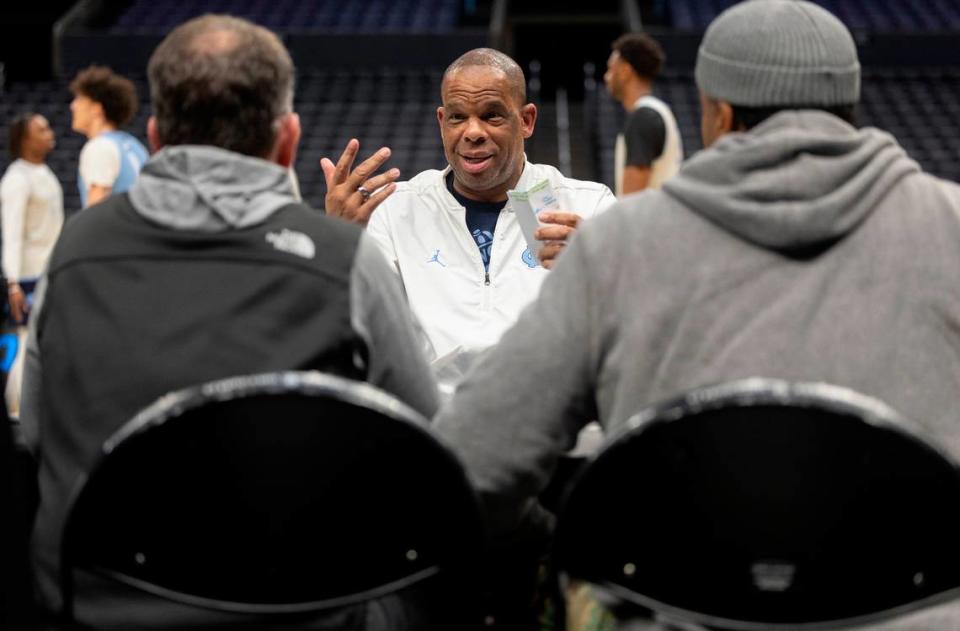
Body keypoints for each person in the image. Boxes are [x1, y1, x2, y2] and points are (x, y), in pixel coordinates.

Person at [435, 0, 960, 621]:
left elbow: (470, 467)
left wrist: (561, 547)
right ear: (850, 106)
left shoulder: (618, 243)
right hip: (912, 610)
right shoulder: (952, 224)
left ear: (718, 113)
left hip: (680, 605)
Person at [21, 14, 437, 625]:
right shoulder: (347, 262)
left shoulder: (74, 251)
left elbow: (33, 435)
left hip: (92, 612)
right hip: (299, 613)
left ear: (157, 138)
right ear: (288, 140)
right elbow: (426, 453)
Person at [324, 48, 615, 379]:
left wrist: (596, 273)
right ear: (441, 121)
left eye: (492, 115)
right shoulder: (391, 210)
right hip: (431, 416)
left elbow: (633, 327)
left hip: (548, 412)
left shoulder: (589, 207)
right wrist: (341, 246)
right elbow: (356, 334)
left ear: (526, 120)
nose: (472, 132)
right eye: (458, 117)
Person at [0, 113, 63, 416]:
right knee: (27, 346)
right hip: (27, 278)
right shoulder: (16, 179)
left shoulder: (45, 174)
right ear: (25, 139)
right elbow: (10, 236)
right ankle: (16, 411)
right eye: (42, 128)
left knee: (47, 344)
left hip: (50, 272)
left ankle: (38, 408)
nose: (50, 132)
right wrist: (12, 282)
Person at [604, 32, 683, 195]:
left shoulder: (643, 117)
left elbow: (632, 199)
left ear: (625, 71)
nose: (606, 77)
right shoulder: (660, 110)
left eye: (611, 69)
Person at [69, 65, 149, 208]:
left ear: (96, 109)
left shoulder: (99, 147)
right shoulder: (135, 145)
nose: (73, 106)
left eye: (79, 99)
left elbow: (95, 214)